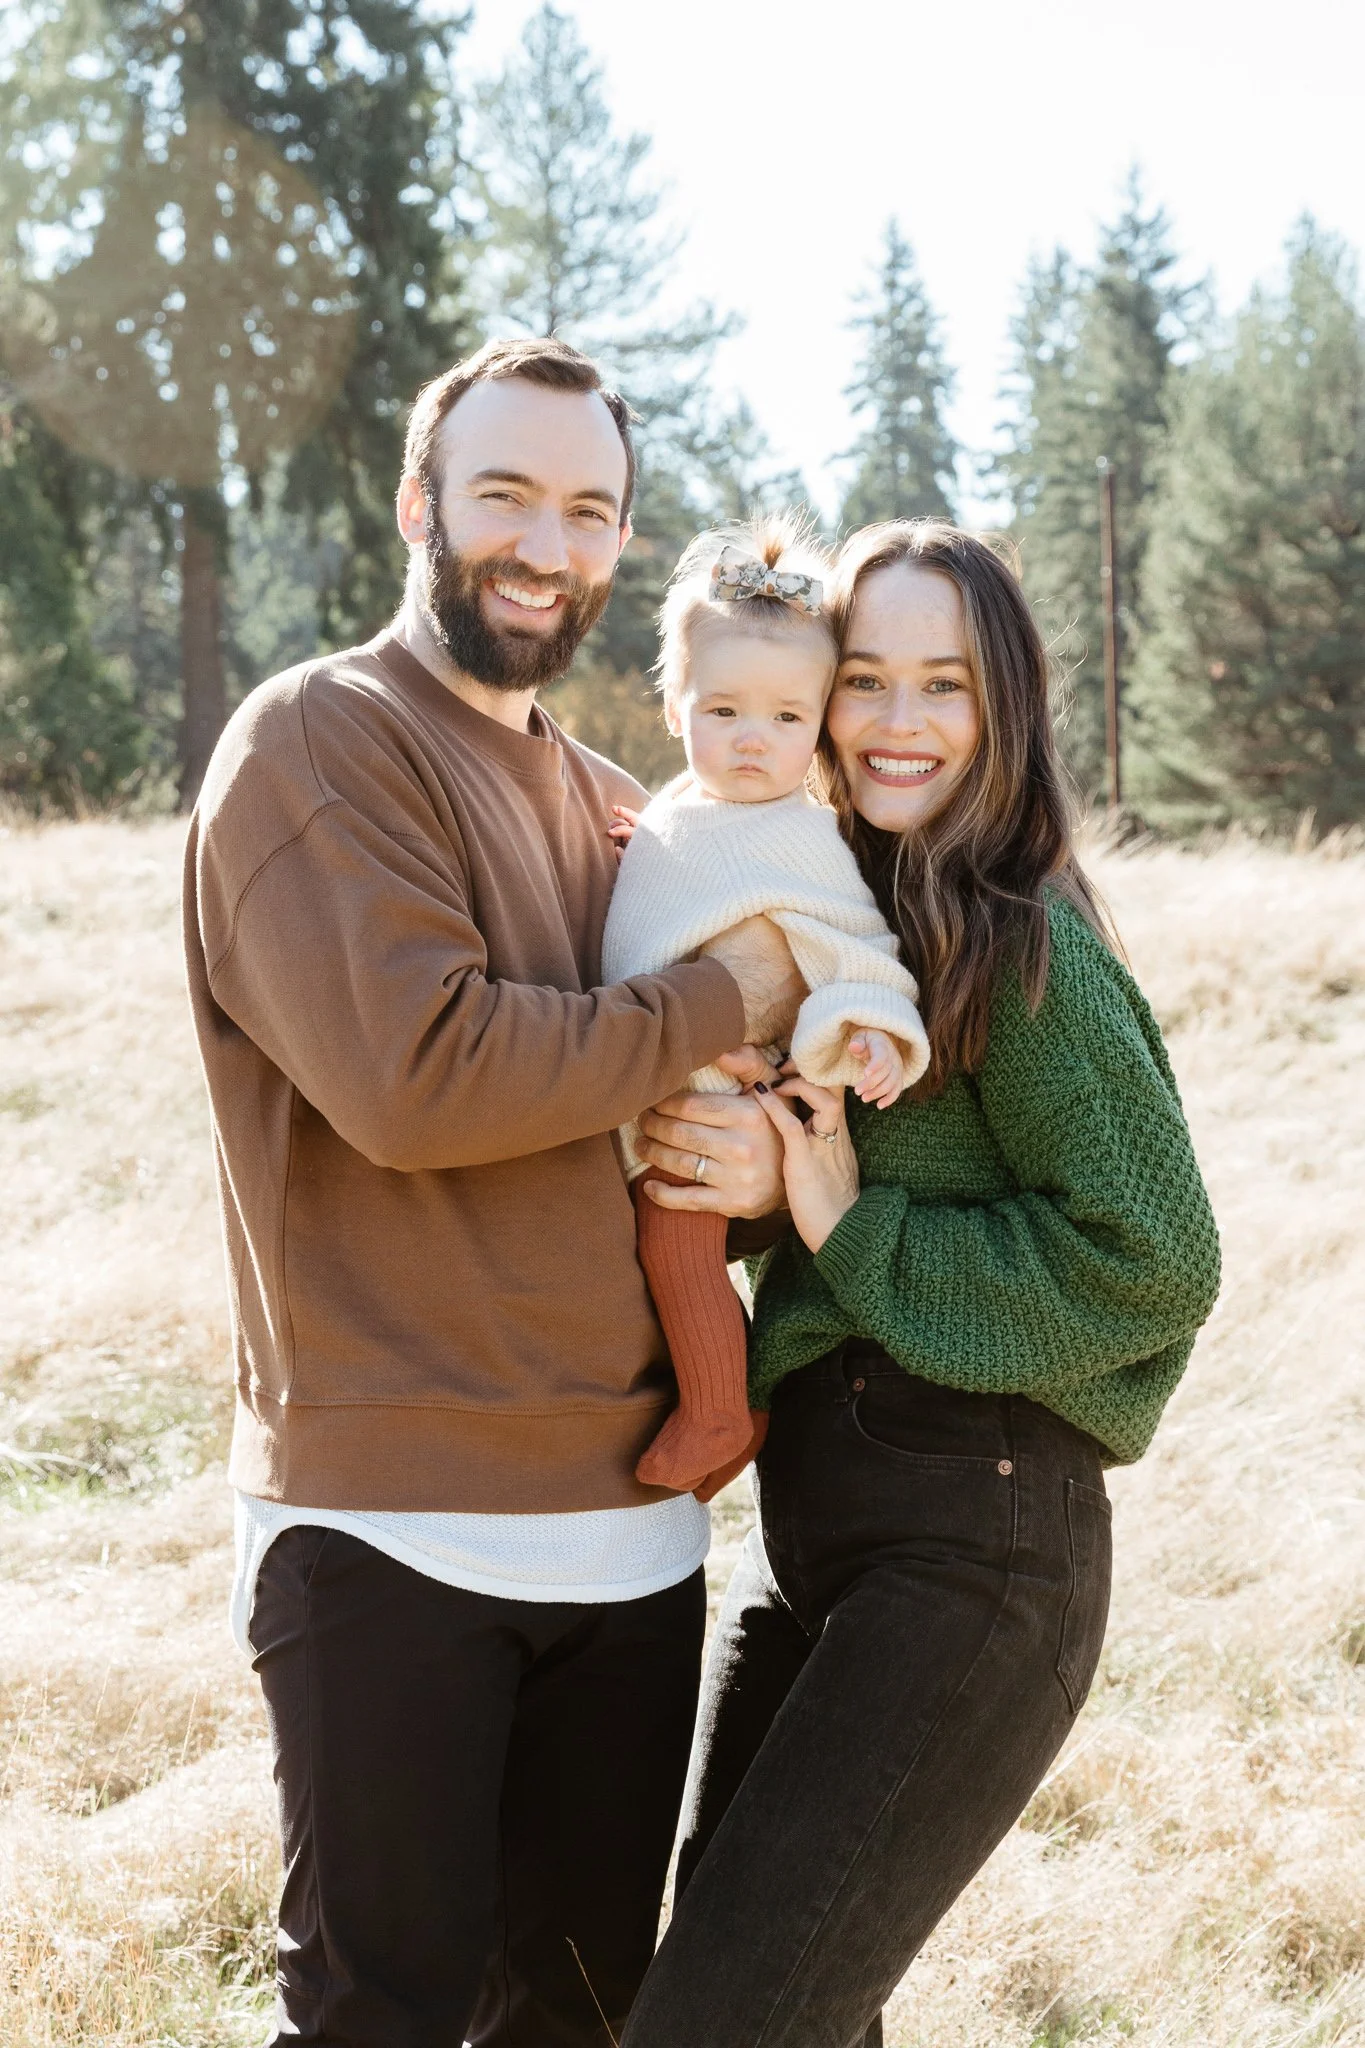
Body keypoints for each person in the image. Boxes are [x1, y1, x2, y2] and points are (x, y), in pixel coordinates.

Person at [182, 335, 801, 2048]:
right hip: (393, 1521)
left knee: (579, 2009)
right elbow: (418, 1075)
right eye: (506, 493)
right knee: (385, 2009)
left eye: (589, 508)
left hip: (631, 1530)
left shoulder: (624, 809)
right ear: (419, 506)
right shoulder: (319, 740)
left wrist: (753, 1159)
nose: (546, 541)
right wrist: (721, 998)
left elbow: (666, 1127)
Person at [621, 520, 1222, 2048]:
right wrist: (767, 1184)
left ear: (1003, 704)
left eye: (940, 685)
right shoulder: (869, 920)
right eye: (864, 681)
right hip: (827, 1533)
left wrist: (843, 1225)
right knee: (745, 1994)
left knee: (724, 2022)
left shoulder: (1019, 946)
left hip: (976, 1543)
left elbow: (1156, 1261)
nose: (895, 724)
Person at [602, 514, 928, 1494]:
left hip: (730, 1097)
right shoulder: (682, 810)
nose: (754, 741)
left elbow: (853, 943)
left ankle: (720, 1409)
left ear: (822, 718)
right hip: (672, 1064)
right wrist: (648, 851)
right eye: (726, 712)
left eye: (789, 718)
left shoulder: (800, 833)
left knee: (677, 1231)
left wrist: (870, 1029)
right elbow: (679, 887)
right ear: (675, 705)